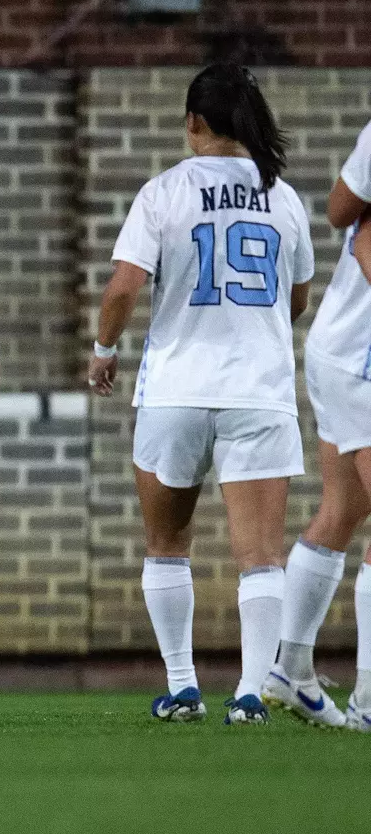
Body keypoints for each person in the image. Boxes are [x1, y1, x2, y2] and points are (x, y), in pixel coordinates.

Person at [88, 63, 313, 726]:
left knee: (166, 543)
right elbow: (294, 298)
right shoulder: (285, 198)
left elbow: (125, 286)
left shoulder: (164, 193)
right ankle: (249, 693)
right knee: (261, 556)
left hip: (176, 390)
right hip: (259, 391)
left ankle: (183, 686)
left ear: (193, 123)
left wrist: (104, 352)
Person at [265, 118, 371, 730]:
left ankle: (290, 669)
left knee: (343, 511)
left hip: (343, 349)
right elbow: (349, 221)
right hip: (362, 355)